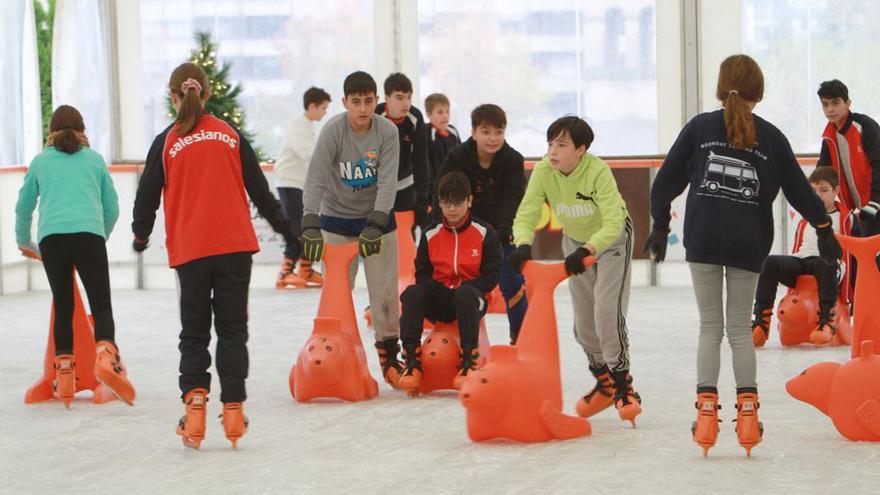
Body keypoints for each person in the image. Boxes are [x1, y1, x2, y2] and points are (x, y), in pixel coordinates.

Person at [646, 54, 841, 456]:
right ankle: (748, 418)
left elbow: (663, 184)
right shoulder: (769, 137)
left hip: (702, 239)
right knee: (738, 330)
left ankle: (705, 416)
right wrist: (824, 228)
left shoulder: (700, 128)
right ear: (759, 91)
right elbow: (800, 190)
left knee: (709, 328)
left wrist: (661, 227)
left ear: (721, 87)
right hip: (748, 244)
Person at [132, 62, 298, 449]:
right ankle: (234, 413)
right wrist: (289, 234)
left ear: (175, 98)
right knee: (233, 331)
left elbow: (146, 195)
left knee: (194, 332)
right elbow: (260, 192)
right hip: (236, 248)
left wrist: (141, 235)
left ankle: (194, 415)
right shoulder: (230, 133)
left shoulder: (167, 140)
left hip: (191, 251)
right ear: (206, 94)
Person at [508, 115, 641, 427]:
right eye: (551, 144)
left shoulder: (597, 172)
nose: (553, 151)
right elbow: (527, 212)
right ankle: (604, 382)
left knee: (606, 314)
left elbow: (612, 222)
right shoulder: (545, 170)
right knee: (584, 324)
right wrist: (523, 244)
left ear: (581, 149)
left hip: (611, 242)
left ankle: (623, 386)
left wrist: (589, 250)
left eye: (562, 145)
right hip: (575, 242)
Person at [15, 105, 134, 408]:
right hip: (89, 237)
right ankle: (106, 359)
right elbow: (113, 207)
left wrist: (26, 242)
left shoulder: (40, 162)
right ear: (83, 131)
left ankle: (64, 378)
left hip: (52, 239)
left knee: (64, 304)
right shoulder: (94, 161)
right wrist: (99, 234)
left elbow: (24, 207)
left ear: (51, 132)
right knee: (101, 304)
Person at [300, 71, 403, 387]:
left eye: (368, 101)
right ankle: (337, 353)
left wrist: (376, 220)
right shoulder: (333, 131)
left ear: (376, 102)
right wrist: (309, 221)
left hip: (377, 221)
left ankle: (389, 355)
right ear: (345, 102)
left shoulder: (387, 131)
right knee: (336, 293)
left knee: (384, 294)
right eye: (355, 102)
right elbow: (316, 177)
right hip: (337, 220)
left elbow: (387, 180)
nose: (362, 108)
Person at [398, 171, 501, 393]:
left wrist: (469, 287)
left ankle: (469, 360)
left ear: (469, 201)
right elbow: (422, 274)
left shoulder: (485, 233)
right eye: (446, 203)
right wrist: (437, 289)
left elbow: (492, 274)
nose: (452, 209)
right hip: (442, 300)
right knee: (412, 293)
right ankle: (412, 361)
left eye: (457, 202)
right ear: (439, 203)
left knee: (465, 295)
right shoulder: (430, 234)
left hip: (473, 299)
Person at [436, 104, 527, 344]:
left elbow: (514, 197)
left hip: (500, 232)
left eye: (498, 132)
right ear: (474, 132)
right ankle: (457, 340)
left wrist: (506, 227)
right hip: (463, 233)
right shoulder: (456, 157)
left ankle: (521, 338)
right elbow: (443, 193)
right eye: (486, 131)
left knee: (513, 283)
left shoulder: (513, 160)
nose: (493, 138)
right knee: (455, 287)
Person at [751, 167, 852, 347]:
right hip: (803, 260)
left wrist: (849, 296)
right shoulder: (806, 218)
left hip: (830, 264)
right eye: (813, 191)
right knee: (770, 262)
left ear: (836, 191)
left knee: (826, 262)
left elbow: (853, 255)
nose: (818, 195)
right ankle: (761, 322)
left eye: (824, 190)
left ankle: (827, 321)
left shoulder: (845, 218)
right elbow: (798, 247)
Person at [275, 86, 331, 289]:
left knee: (310, 227)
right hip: (289, 182)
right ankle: (284, 273)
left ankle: (305, 269)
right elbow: (309, 154)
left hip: (301, 184)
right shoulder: (298, 126)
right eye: (323, 108)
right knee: (298, 230)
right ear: (312, 106)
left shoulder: (308, 126)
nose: (325, 112)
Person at [375, 73, 430, 233]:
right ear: (387, 98)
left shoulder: (415, 118)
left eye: (409, 97)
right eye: (399, 98)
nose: (406, 103)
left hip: (405, 183)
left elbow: (421, 160)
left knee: (405, 234)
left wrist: (422, 199)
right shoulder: (376, 116)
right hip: (380, 185)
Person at [424, 93, 461, 200]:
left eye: (447, 111)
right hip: (435, 189)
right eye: (440, 112)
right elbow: (426, 166)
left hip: (453, 186)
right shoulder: (426, 133)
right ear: (429, 114)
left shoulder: (453, 131)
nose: (445, 115)